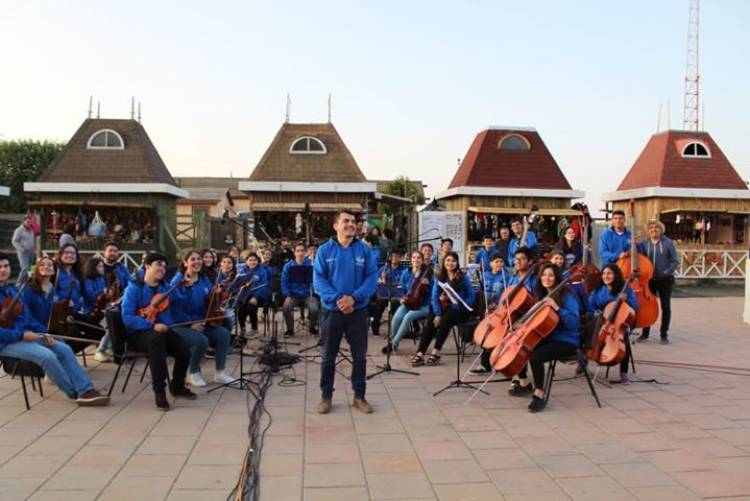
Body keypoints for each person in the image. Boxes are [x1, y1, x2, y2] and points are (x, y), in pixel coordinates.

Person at [0, 253, 109, 406]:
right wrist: (22, 335)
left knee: (63, 348)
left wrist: (44, 332)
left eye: (6, 266)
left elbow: (27, 318)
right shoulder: (24, 289)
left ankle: (85, 389)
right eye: (0, 267)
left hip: (25, 334)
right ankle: (73, 392)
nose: (3, 270)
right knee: (47, 356)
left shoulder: (11, 290)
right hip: (6, 342)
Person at [313, 210, 378, 415]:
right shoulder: (324, 250)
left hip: (357, 311)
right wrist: (339, 299)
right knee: (328, 356)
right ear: (336, 226)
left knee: (359, 357)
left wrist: (354, 298)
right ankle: (326, 397)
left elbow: (372, 278)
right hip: (332, 311)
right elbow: (318, 281)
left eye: (353, 221)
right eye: (346, 221)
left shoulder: (365, 251)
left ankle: (359, 396)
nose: (351, 224)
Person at [121, 252, 195, 410]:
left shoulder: (166, 287)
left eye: (164, 265)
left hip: (162, 331)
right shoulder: (134, 288)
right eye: (158, 264)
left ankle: (177, 386)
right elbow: (127, 317)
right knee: (157, 342)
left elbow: (181, 302)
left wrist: (187, 287)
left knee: (184, 351)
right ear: (147, 266)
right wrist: (151, 326)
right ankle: (159, 391)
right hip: (138, 334)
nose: (162, 268)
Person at [508, 263, 580, 413]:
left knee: (536, 356)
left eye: (551, 275)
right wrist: (520, 325)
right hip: (549, 337)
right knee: (521, 346)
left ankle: (539, 393)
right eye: (544, 275)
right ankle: (524, 383)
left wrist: (557, 307)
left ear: (557, 277)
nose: (547, 278)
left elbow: (573, 323)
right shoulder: (541, 295)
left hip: (567, 340)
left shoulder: (566, 295)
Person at [169, 250, 233, 387]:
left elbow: (208, 302)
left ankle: (220, 372)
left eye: (199, 259)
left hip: (200, 322)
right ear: (185, 262)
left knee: (223, 334)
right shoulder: (177, 281)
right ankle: (192, 373)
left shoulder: (203, 279)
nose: (197, 262)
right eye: (193, 259)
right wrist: (191, 324)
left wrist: (217, 300)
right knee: (201, 340)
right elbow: (173, 309)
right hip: (180, 324)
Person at [410, 252, 475, 367]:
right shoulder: (440, 278)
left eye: (453, 261)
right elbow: (434, 297)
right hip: (443, 309)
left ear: (457, 263)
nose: (450, 263)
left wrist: (462, 304)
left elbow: (471, 295)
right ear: (444, 263)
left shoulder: (462, 278)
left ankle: (436, 351)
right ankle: (420, 353)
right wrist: (438, 314)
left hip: (459, 310)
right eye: (448, 260)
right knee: (431, 320)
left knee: (446, 318)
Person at [587, 263, 638, 383]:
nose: (606, 276)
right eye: (604, 273)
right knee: (588, 331)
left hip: (619, 323)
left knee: (623, 338)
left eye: (609, 273)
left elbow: (634, 307)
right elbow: (589, 306)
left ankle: (623, 372)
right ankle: (585, 359)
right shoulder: (598, 290)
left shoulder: (626, 290)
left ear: (615, 275)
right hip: (601, 320)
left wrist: (627, 300)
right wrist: (596, 313)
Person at [382, 250, 432, 354]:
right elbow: (400, 288)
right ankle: (392, 340)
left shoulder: (428, 273)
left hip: (423, 305)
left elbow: (433, 292)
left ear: (422, 260)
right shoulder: (406, 272)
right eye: (414, 257)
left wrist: (428, 285)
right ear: (411, 259)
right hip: (408, 302)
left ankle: (393, 343)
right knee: (396, 318)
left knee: (408, 317)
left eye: (418, 258)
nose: (416, 260)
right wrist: (402, 298)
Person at [469, 254, 511, 375]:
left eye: (501, 262)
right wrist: (473, 275)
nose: (499, 264)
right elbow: (476, 289)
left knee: (495, 336)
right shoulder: (484, 275)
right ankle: (485, 364)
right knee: (485, 335)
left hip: (500, 311)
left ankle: (495, 362)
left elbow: (507, 294)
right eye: (496, 261)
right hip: (485, 311)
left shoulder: (506, 277)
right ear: (491, 263)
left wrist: (498, 306)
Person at [637, 220, 677, 344]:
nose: (654, 229)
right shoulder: (644, 243)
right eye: (651, 228)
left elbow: (674, 261)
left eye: (656, 227)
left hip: (665, 279)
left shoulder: (668, 243)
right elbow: (638, 256)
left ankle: (664, 334)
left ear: (661, 229)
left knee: (666, 307)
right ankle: (645, 333)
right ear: (648, 230)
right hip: (649, 280)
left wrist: (667, 271)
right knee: (647, 306)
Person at [281, 243, 319, 337]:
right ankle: (290, 329)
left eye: (302, 250)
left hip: (307, 295)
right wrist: (287, 293)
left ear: (306, 252)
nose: (300, 253)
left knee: (315, 308)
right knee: (286, 308)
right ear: (294, 253)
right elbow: (284, 282)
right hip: (293, 295)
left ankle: (312, 327)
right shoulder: (288, 266)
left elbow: (316, 280)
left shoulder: (311, 265)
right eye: (298, 251)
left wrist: (314, 291)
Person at [369, 249, 403, 337]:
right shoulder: (384, 268)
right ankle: (375, 326)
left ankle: (395, 329)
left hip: (397, 295)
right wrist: (381, 278)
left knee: (395, 303)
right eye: (393, 256)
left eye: (397, 256)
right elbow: (375, 281)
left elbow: (403, 284)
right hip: (384, 294)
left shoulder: (404, 270)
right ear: (390, 258)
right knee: (380, 302)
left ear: (401, 258)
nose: (395, 258)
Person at [237, 253, 269, 338]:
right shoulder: (242, 271)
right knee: (241, 306)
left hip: (259, 295)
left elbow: (263, 286)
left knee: (251, 305)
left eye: (254, 260)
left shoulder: (262, 271)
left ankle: (254, 329)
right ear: (246, 262)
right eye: (250, 260)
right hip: (246, 295)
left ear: (258, 261)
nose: (252, 262)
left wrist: (255, 297)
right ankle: (242, 328)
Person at [11, 215, 36, 280]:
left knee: (31, 269)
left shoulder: (31, 231)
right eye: (27, 222)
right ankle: (18, 284)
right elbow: (14, 241)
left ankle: (26, 283)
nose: (29, 223)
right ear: (23, 222)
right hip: (23, 253)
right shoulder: (19, 230)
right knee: (25, 268)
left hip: (31, 252)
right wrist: (22, 249)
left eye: (30, 222)